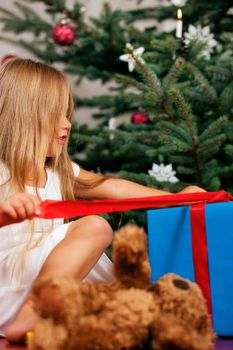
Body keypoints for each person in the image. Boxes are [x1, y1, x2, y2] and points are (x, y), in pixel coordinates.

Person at [0, 58, 205, 343]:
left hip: (51, 274)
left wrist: (174, 199)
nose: (67, 124)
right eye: (56, 115)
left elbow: (108, 187)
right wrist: (5, 215)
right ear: (25, 116)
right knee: (96, 227)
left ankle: (55, 317)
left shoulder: (58, 172)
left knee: (124, 295)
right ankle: (34, 309)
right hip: (12, 285)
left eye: (67, 114)